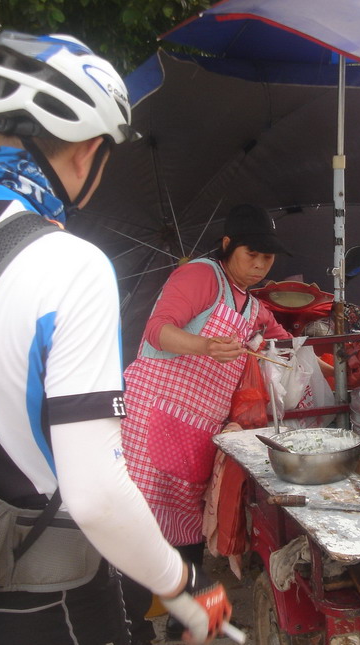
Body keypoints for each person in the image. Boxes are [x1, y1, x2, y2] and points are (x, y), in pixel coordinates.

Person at [0, 31, 230, 645]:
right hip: (42, 601)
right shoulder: (70, 266)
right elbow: (97, 494)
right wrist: (182, 585)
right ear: (86, 151)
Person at [120, 202, 294, 637]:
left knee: (186, 531)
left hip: (198, 432)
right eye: (251, 254)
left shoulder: (252, 306)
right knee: (140, 529)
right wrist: (205, 346)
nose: (260, 265)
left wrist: (325, 359)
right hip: (155, 416)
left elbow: (284, 343)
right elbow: (157, 330)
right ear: (227, 245)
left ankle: (185, 625)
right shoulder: (200, 276)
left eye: (268, 257)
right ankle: (132, 630)